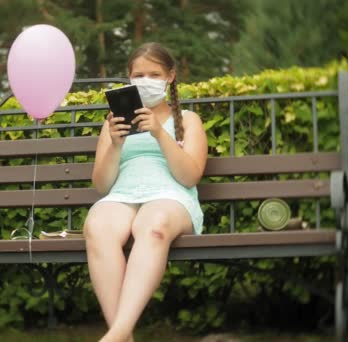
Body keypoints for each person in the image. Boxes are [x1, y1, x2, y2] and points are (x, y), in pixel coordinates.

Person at [83, 42, 208, 342]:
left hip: (170, 197)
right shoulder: (112, 124)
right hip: (123, 196)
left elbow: (189, 176)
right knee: (97, 226)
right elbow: (101, 185)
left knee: (152, 226)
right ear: (129, 79)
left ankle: (114, 336)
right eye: (139, 74)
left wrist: (159, 133)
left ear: (170, 77)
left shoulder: (188, 120)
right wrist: (115, 144)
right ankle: (122, 336)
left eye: (154, 74)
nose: (146, 80)